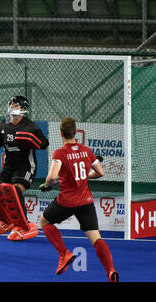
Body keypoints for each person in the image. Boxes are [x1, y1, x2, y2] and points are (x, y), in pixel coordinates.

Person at [39, 117, 119, 282]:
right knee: (96, 238)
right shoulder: (87, 151)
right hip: (86, 202)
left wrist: (47, 185)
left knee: (44, 221)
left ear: (61, 133)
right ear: (75, 133)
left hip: (67, 201)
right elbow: (100, 173)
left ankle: (64, 254)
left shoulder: (59, 153)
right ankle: (111, 271)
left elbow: (52, 177)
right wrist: (83, 177)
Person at [0, 96, 49, 240]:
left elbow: (44, 144)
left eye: (16, 105)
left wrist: (31, 140)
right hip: (9, 165)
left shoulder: (31, 126)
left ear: (23, 109)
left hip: (26, 165)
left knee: (14, 192)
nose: (13, 107)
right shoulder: (3, 124)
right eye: (12, 104)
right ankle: (7, 220)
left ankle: (24, 225)